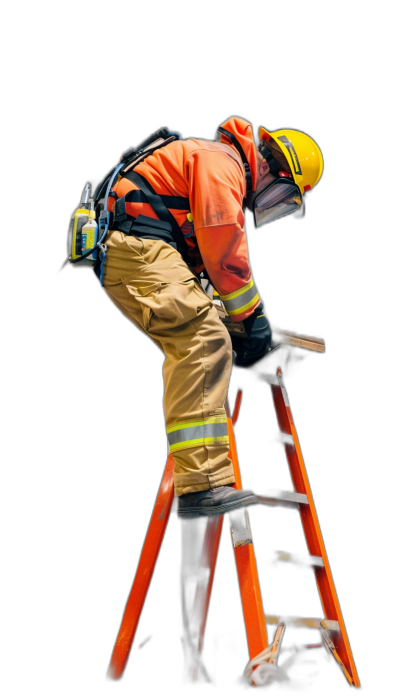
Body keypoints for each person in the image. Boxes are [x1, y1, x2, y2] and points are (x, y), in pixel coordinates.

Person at [100, 116, 323, 519]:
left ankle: (201, 476)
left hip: (143, 248)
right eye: (283, 196)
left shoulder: (213, 162)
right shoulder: (222, 163)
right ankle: (201, 487)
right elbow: (225, 255)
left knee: (208, 334)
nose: (272, 206)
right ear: (274, 166)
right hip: (139, 247)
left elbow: (205, 260)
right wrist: (253, 319)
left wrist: (237, 323)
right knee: (203, 340)